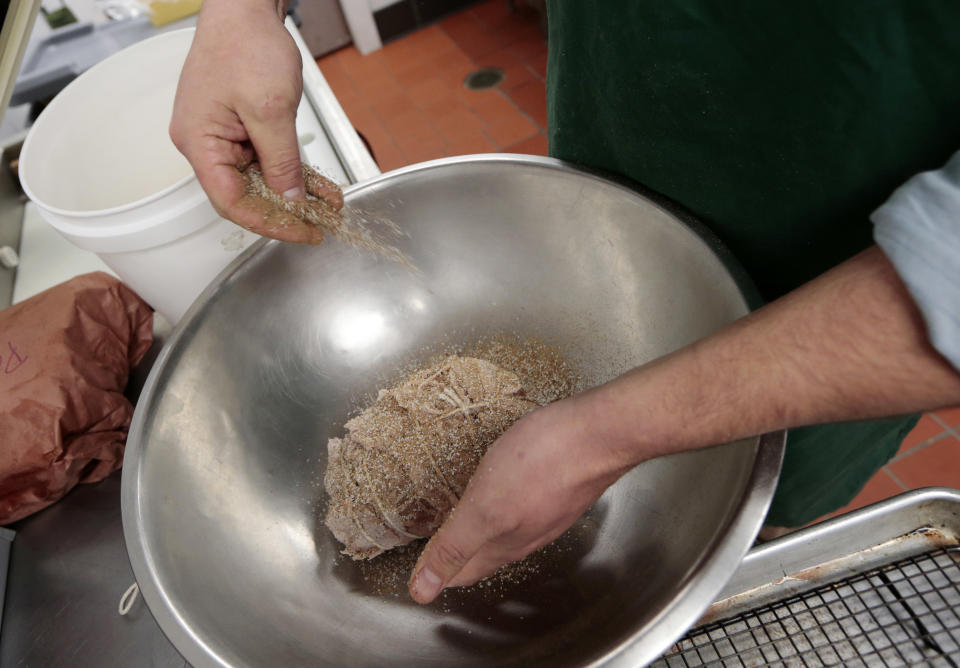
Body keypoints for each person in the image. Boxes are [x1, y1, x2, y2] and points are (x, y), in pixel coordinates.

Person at [170, 0, 960, 605]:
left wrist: (597, 436)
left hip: (840, 296)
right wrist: (241, 12)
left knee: (734, 529)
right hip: (629, 134)